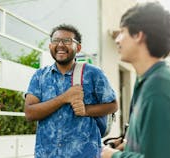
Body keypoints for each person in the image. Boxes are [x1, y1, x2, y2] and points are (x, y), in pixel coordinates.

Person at [101, 1, 170, 158]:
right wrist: (127, 146)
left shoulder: (159, 88)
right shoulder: (149, 81)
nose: (117, 40)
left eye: (123, 32)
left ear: (138, 35)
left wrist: (112, 155)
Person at [24, 23, 118, 158]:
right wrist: (64, 98)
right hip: (46, 154)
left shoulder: (93, 73)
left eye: (67, 41)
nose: (60, 45)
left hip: (85, 153)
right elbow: (30, 113)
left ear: (78, 47)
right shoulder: (39, 76)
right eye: (55, 41)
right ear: (50, 46)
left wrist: (86, 110)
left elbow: (113, 105)